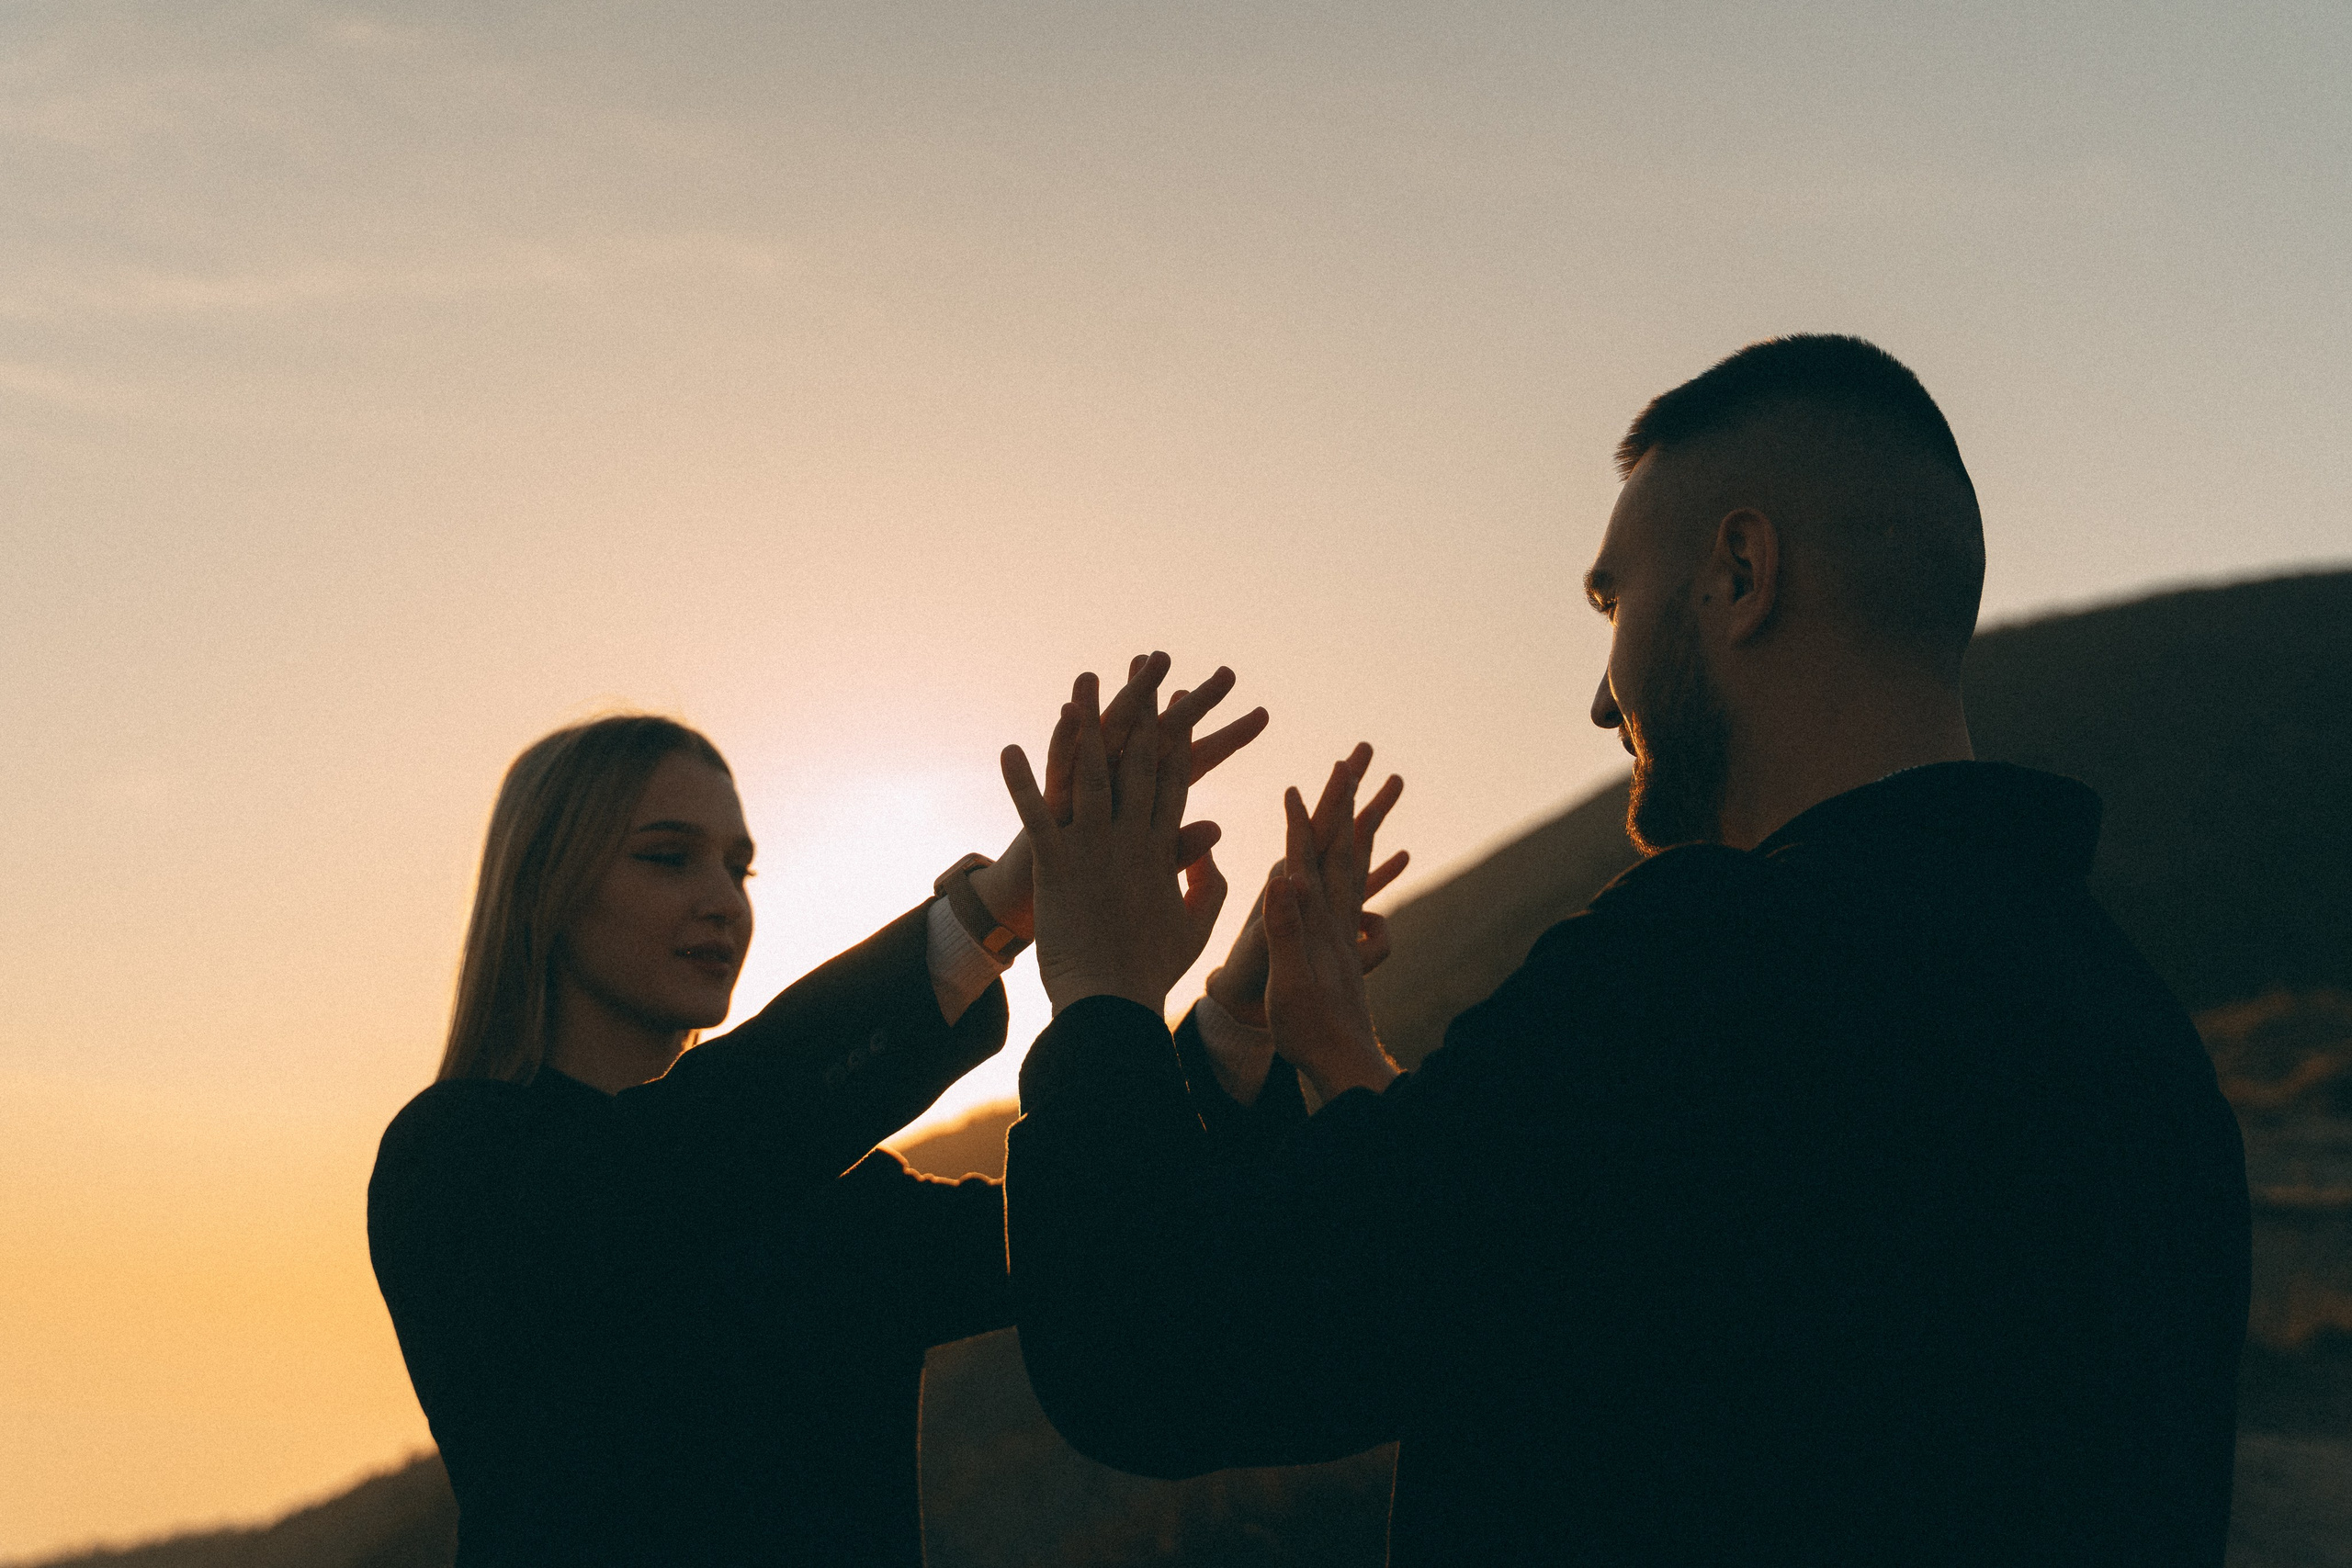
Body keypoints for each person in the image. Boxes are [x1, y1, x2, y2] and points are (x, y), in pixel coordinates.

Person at [1002, 335, 2254, 1566]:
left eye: (1615, 599)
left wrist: (1101, 982)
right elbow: (1676, 1316)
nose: (1605, 696)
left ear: (1739, 571)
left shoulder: (1709, 971)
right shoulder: (2134, 1038)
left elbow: (1155, 1350)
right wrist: (1344, 1062)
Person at [367, 688, 1261, 1567]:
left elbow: (1092, 1220)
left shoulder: (826, 1200)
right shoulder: (454, 1168)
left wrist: (1235, 1025)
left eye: (738, 866)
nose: (724, 900)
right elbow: (679, 1155)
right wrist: (992, 911)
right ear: (547, 890)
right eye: (668, 857)